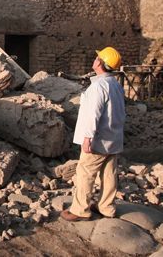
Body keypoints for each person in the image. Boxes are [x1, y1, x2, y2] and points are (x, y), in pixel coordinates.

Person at [61, 47, 126, 221]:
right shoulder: (116, 85)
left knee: (85, 172)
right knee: (109, 173)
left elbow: (93, 114)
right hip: (113, 138)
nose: (95, 59)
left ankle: (80, 210)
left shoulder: (99, 87)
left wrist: (87, 137)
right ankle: (107, 207)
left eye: (97, 57)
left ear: (100, 63)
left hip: (98, 140)